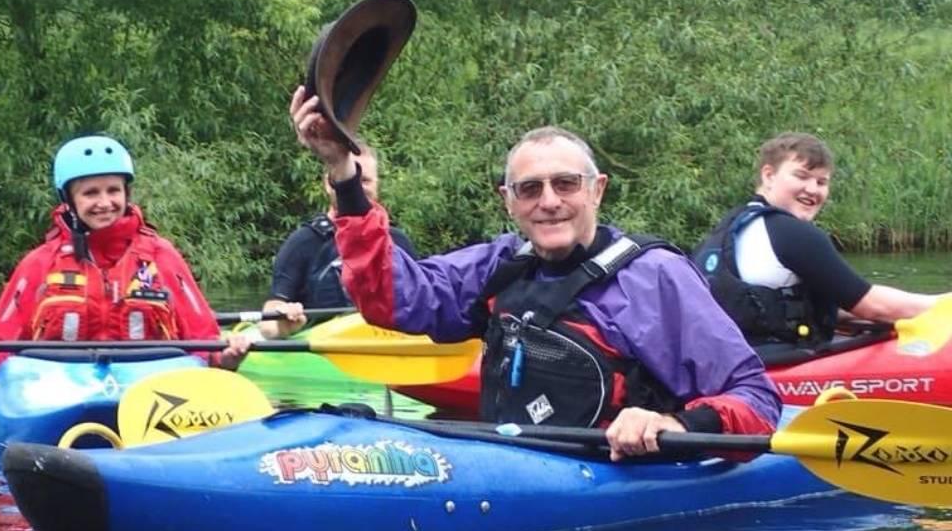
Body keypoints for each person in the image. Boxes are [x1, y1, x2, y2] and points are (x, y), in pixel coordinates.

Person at [289, 86, 782, 461]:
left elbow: (757, 402)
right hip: (517, 464)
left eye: (566, 184)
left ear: (597, 190)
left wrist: (670, 422)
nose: (549, 201)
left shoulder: (656, 278)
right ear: (509, 202)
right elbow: (388, 298)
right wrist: (344, 176)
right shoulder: (497, 266)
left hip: (623, 488)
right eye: (529, 189)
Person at [0, 134, 250, 384]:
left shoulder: (161, 256)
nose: (104, 203)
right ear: (70, 201)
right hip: (58, 394)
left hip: (151, 398)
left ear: (127, 193)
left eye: (113, 190)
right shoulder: (40, 263)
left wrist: (227, 355)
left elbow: (206, 347)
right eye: (90, 193)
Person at [693, 132, 949, 349]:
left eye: (821, 181)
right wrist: (945, 305)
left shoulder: (731, 226)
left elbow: (789, 304)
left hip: (734, 360)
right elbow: (873, 306)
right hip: (772, 371)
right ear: (769, 175)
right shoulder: (789, 232)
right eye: (801, 176)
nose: (813, 189)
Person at [258, 144, 419, 338]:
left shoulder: (398, 241)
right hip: (323, 353)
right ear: (328, 183)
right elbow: (271, 314)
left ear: (377, 184)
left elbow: (422, 301)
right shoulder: (302, 242)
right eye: (350, 179)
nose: (356, 188)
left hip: (389, 346)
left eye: (365, 180)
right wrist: (280, 322)